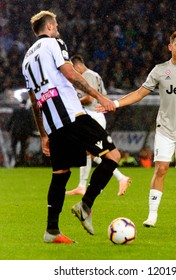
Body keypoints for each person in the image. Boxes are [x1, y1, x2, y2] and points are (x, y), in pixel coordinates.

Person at [22, 11, 119, 244]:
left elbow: (35, 101)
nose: (58, 28)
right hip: (71, 115)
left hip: (53, 123)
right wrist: (99, 97)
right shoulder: (54, 43)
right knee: (112, 156)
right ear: (49, 26)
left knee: (61, 174)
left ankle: (51, 231)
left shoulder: (26, 60)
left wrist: (44, 133)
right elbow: (70, 74)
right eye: (56, 25)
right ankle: (85, 206)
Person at [98, 30, 176, 227]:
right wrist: (115, 104)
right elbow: (140, 93)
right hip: (165, 129)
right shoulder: (159, 70)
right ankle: (152, 216)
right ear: (170, 47)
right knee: (161, 168)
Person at [65, 54, 131, 196]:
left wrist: (72, 103)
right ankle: (82, 186)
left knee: (98, 153)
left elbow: (89, 98)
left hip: (92, 115)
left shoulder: (88, 75)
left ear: (76, 66)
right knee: (86, 152)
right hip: (94, 116)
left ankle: (121, 177)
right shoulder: (96, 76)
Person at [7, 100, 35, 167]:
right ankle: (21, 161)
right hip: (24, 132)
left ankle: (14, 159)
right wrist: (31, 132)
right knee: (23, 147)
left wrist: (8, 129)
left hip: (15, 131)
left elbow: (11, 120)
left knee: (13, 146)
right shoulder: (27, 112)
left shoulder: (15, 111)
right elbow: (30, 123)